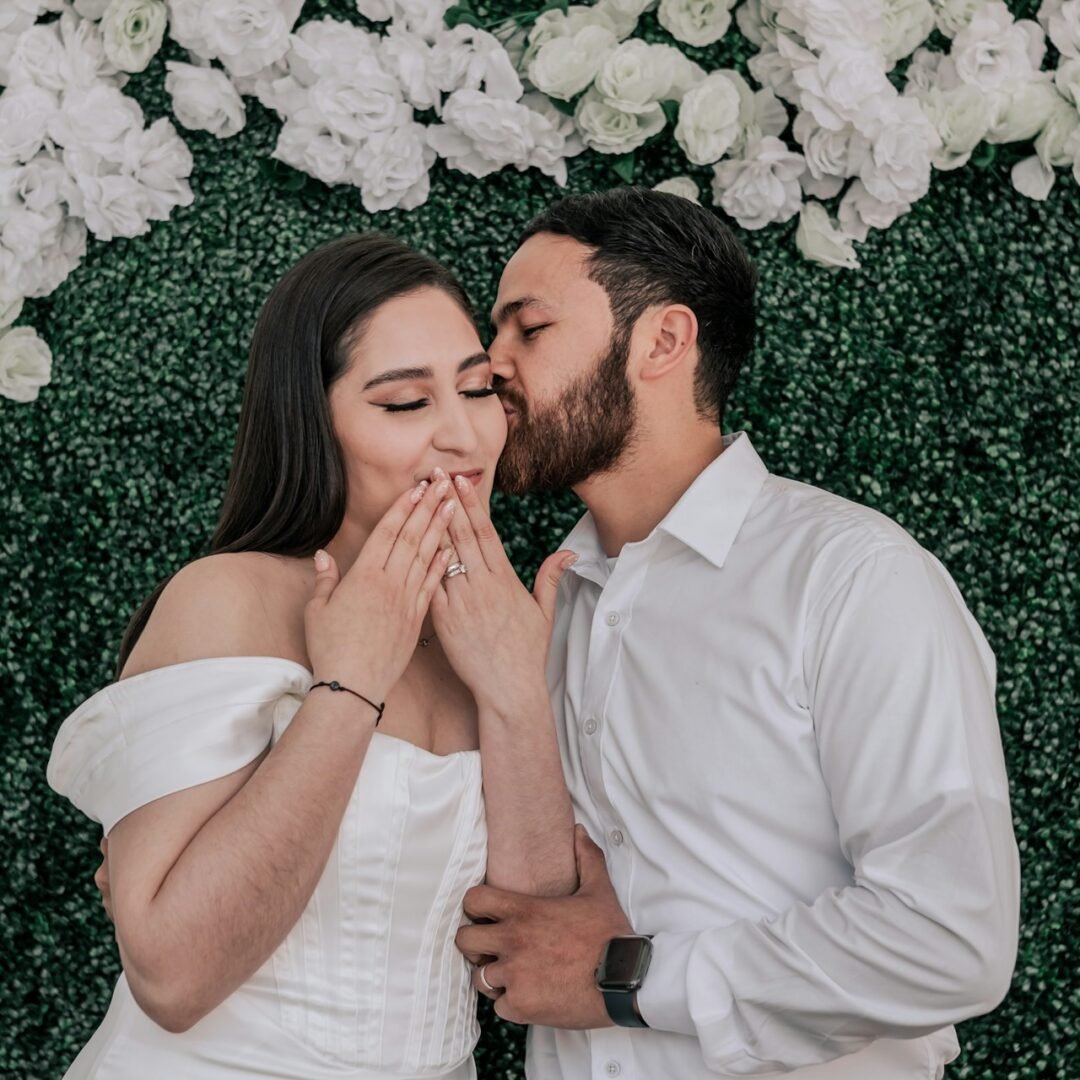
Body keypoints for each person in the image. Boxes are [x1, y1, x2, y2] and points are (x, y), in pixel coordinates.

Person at [455, 187, 1021, 1079]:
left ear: (664, 342)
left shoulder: (851, 578)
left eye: (529, 328)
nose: (491, 366)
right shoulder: (536, 617)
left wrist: (628, 977)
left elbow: (949, 936)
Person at [46, 233, 579, 1079]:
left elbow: (535, 946)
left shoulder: (495, 624)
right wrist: (349, 688)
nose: (464, 435)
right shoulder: (228, 598)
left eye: (477, 389)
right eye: (405, 403)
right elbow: (172, 977)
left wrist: (517, 689)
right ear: (313, 422)